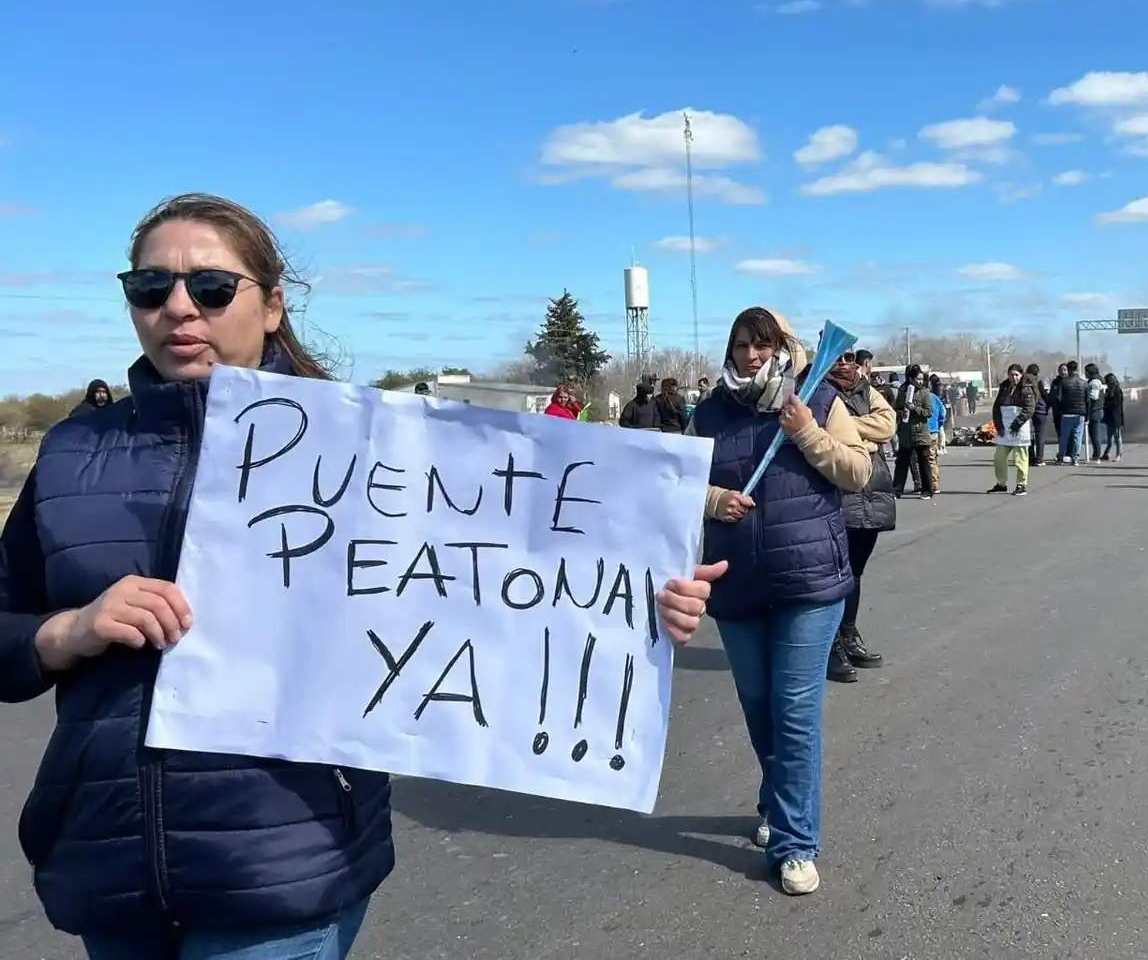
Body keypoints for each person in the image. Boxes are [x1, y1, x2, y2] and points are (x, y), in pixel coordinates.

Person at [0, 192, 720, 959]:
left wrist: (637, 605)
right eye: (150, 287)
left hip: (281, 862)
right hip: (110, 865)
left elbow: (503, 584)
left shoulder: (369, 451)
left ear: (272, 305)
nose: (178, 307)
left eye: (210, 287)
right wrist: (65, 631)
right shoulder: (76, 452)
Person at [688, 306, 872, 896]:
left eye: (762, 345)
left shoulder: (816, 400)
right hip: (736, 579)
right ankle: (778, 799)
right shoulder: (709, 412)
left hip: (808, 580)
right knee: (758, 703)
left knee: (794, 710)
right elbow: (680, 484)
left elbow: (857, 472)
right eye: (741, 344)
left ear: (783, 348)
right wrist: (715, 499)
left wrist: (805, 432)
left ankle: (796, 841)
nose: (751, 355)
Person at [826, 350, 896, 681]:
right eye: (836, 356)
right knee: (833, 571)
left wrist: (846, 427)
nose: (842, 362)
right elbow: (820, 431)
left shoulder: (866, 388)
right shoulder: (815, 389)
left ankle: (849, 634)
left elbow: (887, 424)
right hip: (839, 488)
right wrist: (862, 437)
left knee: (855, 571)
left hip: (873, 487)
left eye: (848, 356)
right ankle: (829, 646)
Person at [987, 363, 1035, 495]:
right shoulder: (1004, 388)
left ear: (1021, 375)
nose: (1014, 377)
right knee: (999, 458)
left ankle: (1021, 484)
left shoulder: (1026, 389)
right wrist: (998, 425)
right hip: (1004, 427)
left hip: (1019, 428)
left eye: (1016, 375)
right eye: (1011, 375)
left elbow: (1029, 409)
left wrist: (1016, 424)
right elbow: (996, 407)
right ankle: (1001, 483)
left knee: (1020, 458)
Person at [892, 365, 933, 500]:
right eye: (917, 379)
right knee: (902, 463)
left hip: (920, 433)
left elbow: (928, 412)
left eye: (922, 379)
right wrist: (901, 411)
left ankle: (927, 490)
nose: (920, 382)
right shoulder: (903, 391)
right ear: (910, 379)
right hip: (905, 433)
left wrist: (914, 408)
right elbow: (896, 408)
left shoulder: (925, 393)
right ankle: (897, 489)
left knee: (924, 463)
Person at [1052, 361, 1087, 465]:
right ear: (1077, 369)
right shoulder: (1084, 383)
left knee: (1064, 436)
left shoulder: (1063, 382)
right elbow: (1087, 400)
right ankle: (1075, 458)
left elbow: (1058, 398)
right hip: (1080, 413)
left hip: (1066, 412)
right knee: (1077, 436)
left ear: (1068, 369)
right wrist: (1087, 414)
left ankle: (1060, 457)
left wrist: (1061, 409)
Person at [925, 372, 947, 493]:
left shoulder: (916, 397)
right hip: (934, 430)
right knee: (932, 459)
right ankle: (934, 483)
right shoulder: (934, 397)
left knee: (926, 459)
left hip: (925, 431)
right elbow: (943, 412)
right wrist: (939, 424)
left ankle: (932, 485)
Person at [1025, 364, 1048, 469]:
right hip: (1039, 410)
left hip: (1027, 410)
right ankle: (1039, 459)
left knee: (1028, 435)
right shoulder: (1038, 382)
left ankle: (1030, 458)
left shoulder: (1023, 382)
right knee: (1040, 435)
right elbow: (1044, 395)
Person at [1083, 363, 1106, 463]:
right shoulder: (1098, 380)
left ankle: (1097, 454)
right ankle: (1096, 453)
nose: (1085, 374)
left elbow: (1094, 396)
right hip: (1098, 410)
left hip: (1095, 410)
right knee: (1094, 433)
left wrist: (1085, 396)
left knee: (1095, 434)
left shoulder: (1094, 382)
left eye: (1086, 372)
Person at [1100, 372, 1125, 461]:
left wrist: (1105, 406)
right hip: (1109, 416)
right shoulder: (1108, 390)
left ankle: (1119, 454)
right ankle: (1106, 453)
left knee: (1117, 436)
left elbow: (1116, 404)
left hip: (1116, 416)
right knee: (1109, 436)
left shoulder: (1117, 390)